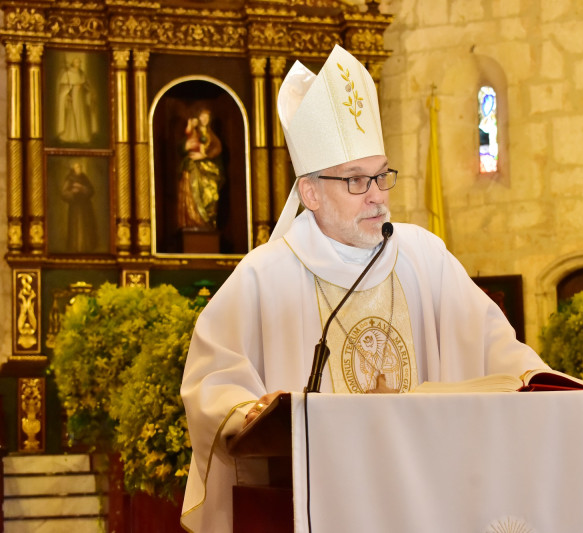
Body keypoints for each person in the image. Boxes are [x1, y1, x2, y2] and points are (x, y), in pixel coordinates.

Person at [180, 45, 551, 532]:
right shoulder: (265, 276)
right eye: (356, 180)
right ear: (310, 192)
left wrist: (545, 384)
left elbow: (497, 349)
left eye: (381, 175)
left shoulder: (425, 258)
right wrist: (249, 413)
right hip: (318, 507)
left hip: (432, 500)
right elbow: (212, 384)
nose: (376, 194)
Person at [177, 109, 225, 229]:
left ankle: (207, 221)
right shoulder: (195, 132)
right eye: (202, 116)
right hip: (193, 168)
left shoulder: (211, 136)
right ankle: (193, 219)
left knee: (210, 193)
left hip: (209, 170)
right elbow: (184, 146)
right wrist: (186, 147)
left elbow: (217, 149)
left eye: (206, 117)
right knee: (193, 190)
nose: (204, 119)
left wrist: (205, 156)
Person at [55, 55, 97, 144]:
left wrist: (89, 92)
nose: (78, 63)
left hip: (81, 99)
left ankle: (82, 136)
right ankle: (71, 135)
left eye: (79, 62)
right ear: (73, 63)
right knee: (72, 116)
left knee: (81, 116)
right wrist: (68, 94)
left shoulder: (82, 74)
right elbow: (63, 89)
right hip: (73, 98)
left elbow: (87, 85)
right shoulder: (67, 74)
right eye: (76, 62)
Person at [60, 161, 97, 253]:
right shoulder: (70, 179)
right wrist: (73, 192)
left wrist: (83, 188)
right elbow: (64, 193)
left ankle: (86, 247)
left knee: (86, 227)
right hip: (75, 207)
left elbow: (91, 190)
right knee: (76, 227)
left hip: (85, 207)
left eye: (80, 167)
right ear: (73, 169)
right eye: (77, 167)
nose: (79, 169)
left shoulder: (84, 178)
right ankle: (75, 248)